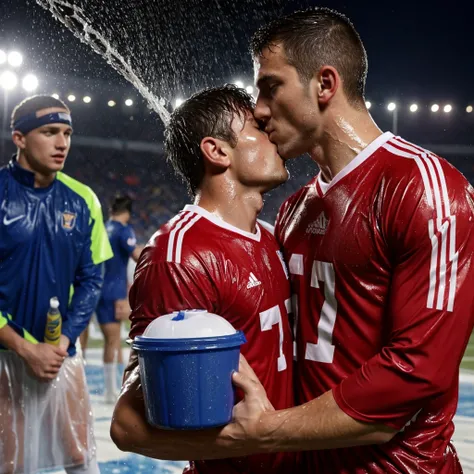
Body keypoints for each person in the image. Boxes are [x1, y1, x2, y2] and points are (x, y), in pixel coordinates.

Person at [204, 7, 473, 473]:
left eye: (270, 87)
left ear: (325, 84)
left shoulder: (427, 189)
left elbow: (415, 375)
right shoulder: (292, 211)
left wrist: (267, 430)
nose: (259, 110)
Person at [110, 84, 297, 474]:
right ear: (217, 151)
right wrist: (254, 437)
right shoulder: (178, 256)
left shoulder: (271, 236)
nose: (273, 132)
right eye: (258, 128)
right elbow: (127, 425)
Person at [0, 95, 113, 474]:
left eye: (67, 133)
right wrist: (21, 346)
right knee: (11, 463)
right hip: (5, 352)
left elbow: (91, 279)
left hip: (58, 353)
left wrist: (63, 343)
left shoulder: (83, 200)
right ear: (19, 137)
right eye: (49, 132)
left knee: (80, 457)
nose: (62, 142)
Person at [80, 194, 142, 404]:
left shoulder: (102, 228)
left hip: (94, 288)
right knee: (113, 341)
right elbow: (135, 255)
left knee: (83, 338)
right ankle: (110, 392)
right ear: (129, 213)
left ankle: (81, 385)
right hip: (114, 292)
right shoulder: (124, 230)